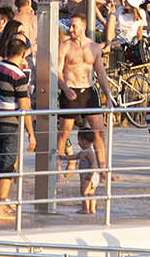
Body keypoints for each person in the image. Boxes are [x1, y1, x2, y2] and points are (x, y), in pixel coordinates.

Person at [0, 38, 34, 223]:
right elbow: (24, 107)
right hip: (9, 123)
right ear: (22, 54)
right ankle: (0, 207)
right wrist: (31, 133)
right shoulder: (19, 76)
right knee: (7, 167)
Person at [56, 14, 113, 179]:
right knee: (64, 133)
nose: (71, 29)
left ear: (83, 27)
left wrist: (108, 95)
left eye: (74, 26)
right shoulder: (65, 46)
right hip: (71, 90)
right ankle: (57, 169)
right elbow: (58, 71)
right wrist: (65, 88)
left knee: (99, 132)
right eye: (70, 26)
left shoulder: (94, 47)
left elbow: (101, 73)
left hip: (88, 91)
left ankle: (103, 171)